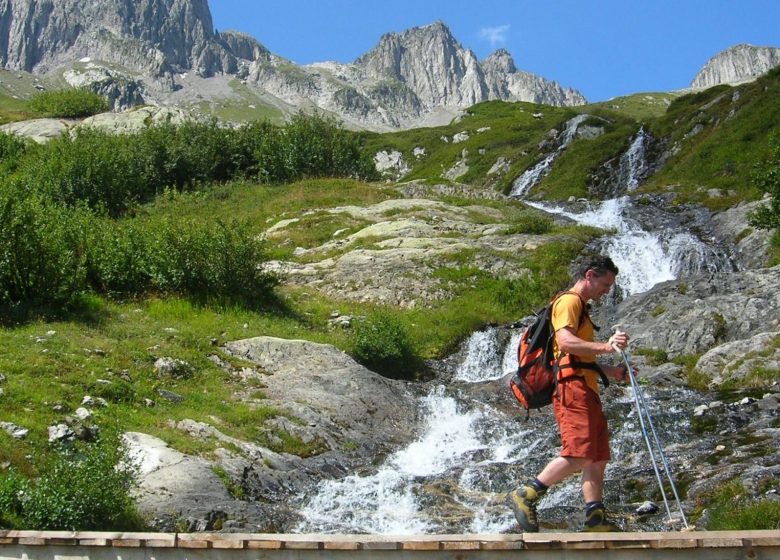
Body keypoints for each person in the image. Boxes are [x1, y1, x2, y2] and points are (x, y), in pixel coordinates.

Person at [506, 255, 632, 532]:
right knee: (580, 451)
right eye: (605, 283)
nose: (607, 290)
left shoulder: (581, 307)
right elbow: (565, 342)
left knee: (598, 456)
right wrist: (607, 346)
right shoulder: (569, 301)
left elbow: (577, 354)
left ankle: (595, 518)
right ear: (590, 275)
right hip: (571, 386)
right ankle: (527, 493)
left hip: (585, 385)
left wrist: (612, 372)